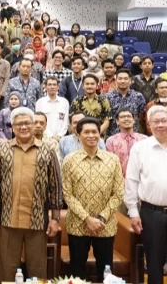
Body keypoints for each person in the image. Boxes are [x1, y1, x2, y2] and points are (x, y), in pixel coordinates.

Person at [0, 107, 62, 284]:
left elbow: (55, 186)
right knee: (7, 268)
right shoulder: (2, 150)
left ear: (34, 125)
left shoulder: (47, 150)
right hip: (8, 219)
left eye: (27, 123)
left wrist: (55, 218)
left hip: (37, 219)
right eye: (19, 124)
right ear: (12, 127)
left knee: (37, 269)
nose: (23, 127)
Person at [62, 116, 124, 281]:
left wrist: (101, 218)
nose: (91, 135)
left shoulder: (112, 160)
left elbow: (118, 193)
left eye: (94, 132)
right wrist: (87, 218)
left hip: (105, 225)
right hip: (77, 224)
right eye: (86, 132)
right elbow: (67, 194)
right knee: (76, 271)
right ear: (78, 134)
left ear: (100, 133)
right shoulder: (69, 160)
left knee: (105, 271)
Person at [125, 105, 167, 284]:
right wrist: (133, 212)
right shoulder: (140, 148)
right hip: (152, 213)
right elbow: (132, 180)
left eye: (164, 120)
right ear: (148, 125)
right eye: (156, 121)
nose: (161, 125)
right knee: (154, 262)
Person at [106, 108, 148, 176]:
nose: (126, 119)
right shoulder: (111, 141)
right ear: (117, 121)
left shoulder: (144, 139)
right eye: (122, 117)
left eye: (129, 116)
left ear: (134, 120)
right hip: (120, 181)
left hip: (141, 180)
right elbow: (110, 164)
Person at [106, 69, 146, 136]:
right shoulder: (108, 97)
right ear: (116, 81)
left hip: (133, 135)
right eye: (120, 79)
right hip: (113, 136)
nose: (123, 81)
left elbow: (140, 117)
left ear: (130, 81)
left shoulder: (138, 96)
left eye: (125, 79)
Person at [35, 76, 70, 140]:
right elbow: (38, 122)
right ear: (45, 87)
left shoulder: (64, 102)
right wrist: (50, 136)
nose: (52, 87)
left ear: (58, 87)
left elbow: (66, 122)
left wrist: (59, 136)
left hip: (61, 138)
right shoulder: (40, 102)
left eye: (54, 85)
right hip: (44, 138)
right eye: (49, 84)